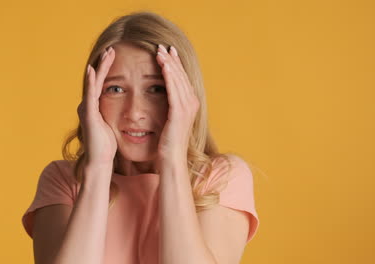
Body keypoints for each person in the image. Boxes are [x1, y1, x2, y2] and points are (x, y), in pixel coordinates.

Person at [22, 11, 259, 264]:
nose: (134, 112)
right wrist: (99, 167)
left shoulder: (219, 179)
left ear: (185, 95)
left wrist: (173, 158)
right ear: (93, 99)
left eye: (156, 89)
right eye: (115, 89)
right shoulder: (63, 181)